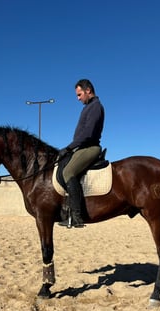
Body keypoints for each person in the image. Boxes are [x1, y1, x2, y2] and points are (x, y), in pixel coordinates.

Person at [58, 79, 105, 228]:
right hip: (81, 148)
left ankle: (77, 216)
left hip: (90, 147)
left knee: (68, 172)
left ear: (88, 91)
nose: (78, 98)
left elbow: (87, 133)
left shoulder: (96, 107)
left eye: (79, 95)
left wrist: (69, 147)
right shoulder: (88, 107)